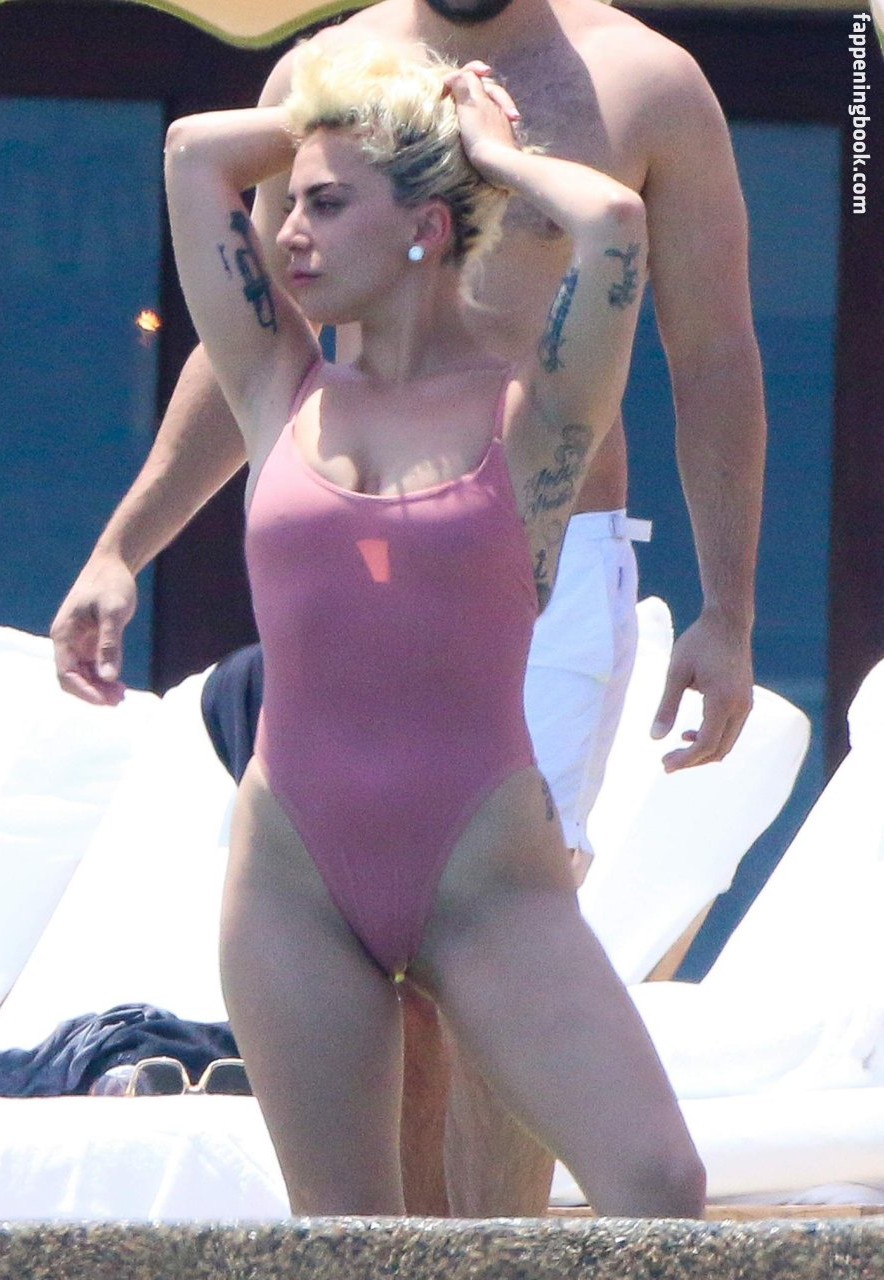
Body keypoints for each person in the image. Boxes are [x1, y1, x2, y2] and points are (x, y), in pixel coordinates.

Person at [52, 0, 765, 1216]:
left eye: (328, 205)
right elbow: (201, 187)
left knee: (561, 1099)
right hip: (305, 834)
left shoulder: (638, 97)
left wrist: (730, 609)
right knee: (354, 1208)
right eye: (296, 204)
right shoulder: (288, 371)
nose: (295, 235)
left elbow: (695, 332)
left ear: (427, 227)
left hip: (525, 584)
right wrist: (122, 547)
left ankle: (500, 1242)